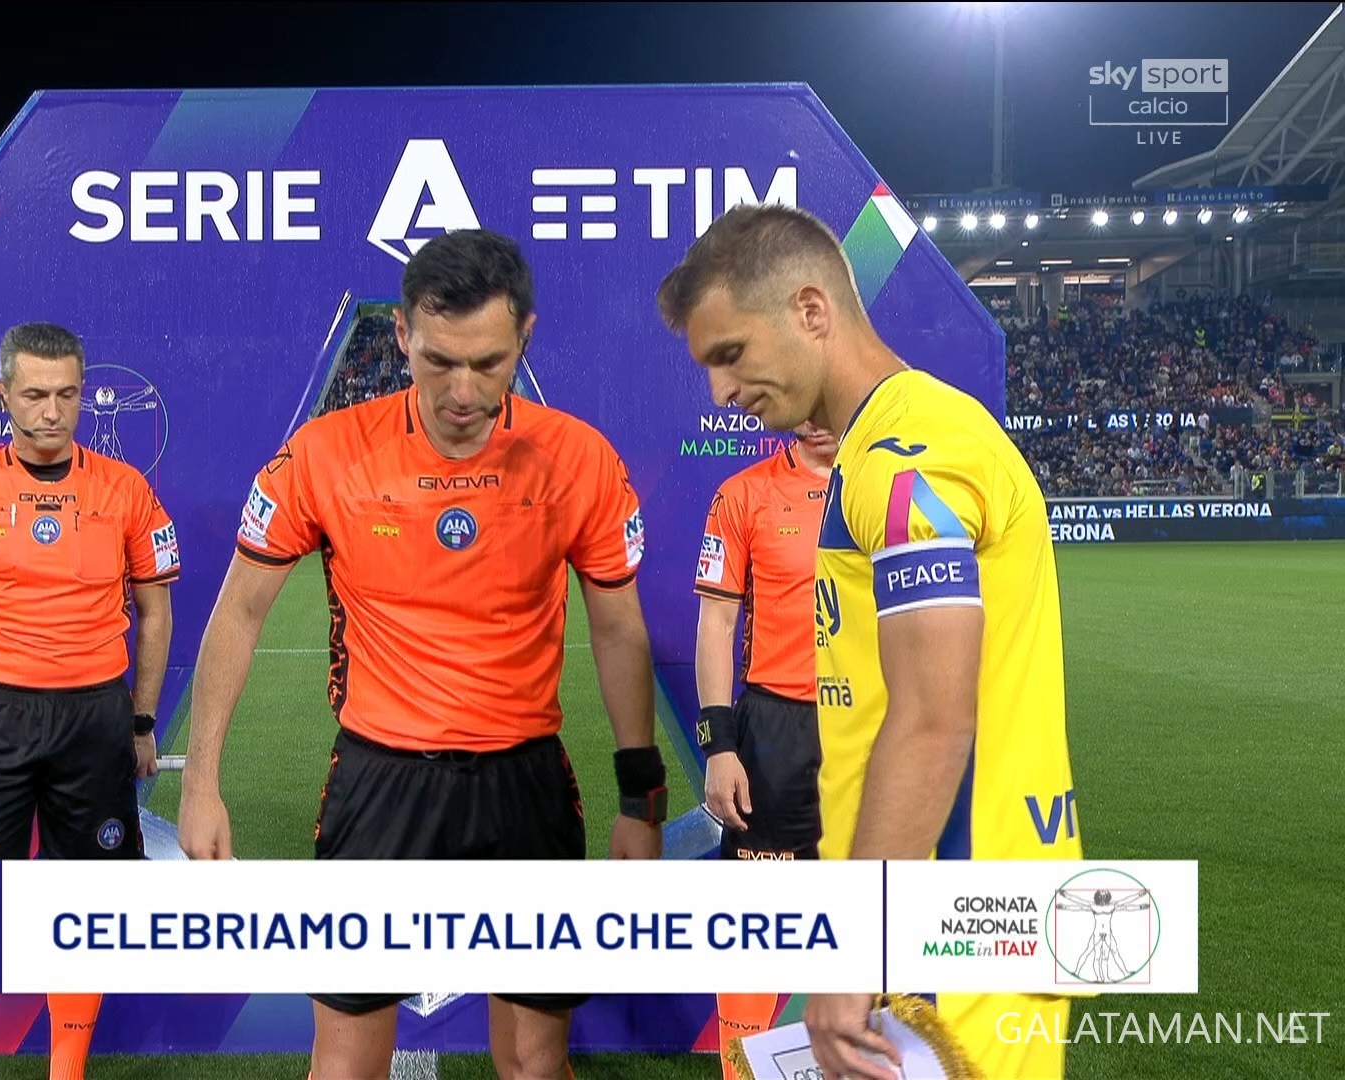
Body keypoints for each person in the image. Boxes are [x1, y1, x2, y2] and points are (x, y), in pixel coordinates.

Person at [178, 228, 666, 1080]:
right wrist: (199, 781)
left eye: (489, 363)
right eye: (439, 360)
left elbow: (621, 629)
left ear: (525, 338)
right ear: (401, 334)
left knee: (535, 1061)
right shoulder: (326, 453)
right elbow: (239, 612)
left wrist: (642, 799)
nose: (463, 392)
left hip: (525, 785)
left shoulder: (577, 458)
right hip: (380, 784)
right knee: (345, 1065)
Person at [657, 203, 1082, 1080]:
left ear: (811, 310)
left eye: (730, 354)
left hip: (952, 934)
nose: (721, 393)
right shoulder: (882, 450)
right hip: (932, 919)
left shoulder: (906, 460)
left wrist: (855, 950)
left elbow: (931, 718)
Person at [0, 322, 178, 1080]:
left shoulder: (126, 489)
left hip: (94, 718)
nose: (52, 411)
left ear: (83, 393)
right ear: (2, 395)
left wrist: (142, 719)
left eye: (66, 394)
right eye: (34, 395)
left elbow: (155, 611)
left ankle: (68, 1069)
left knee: (83, 904)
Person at [692, 422, 834, 1077]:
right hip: (776, 733)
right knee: (757, 927)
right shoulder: (743, 494)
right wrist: (719, 745)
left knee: (874, 915)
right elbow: (716, 624)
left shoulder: (896, 489)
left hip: (871, 728)